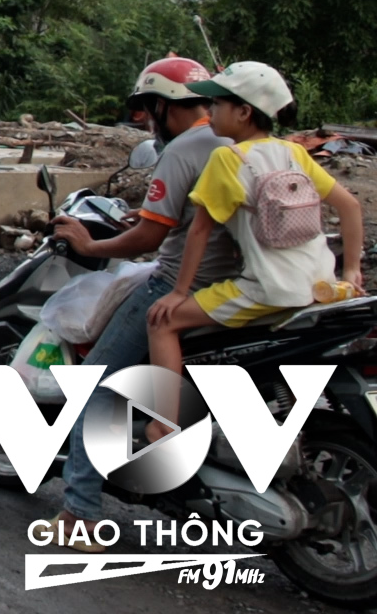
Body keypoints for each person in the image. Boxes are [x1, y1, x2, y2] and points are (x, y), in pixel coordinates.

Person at [43, 57, 239, 548]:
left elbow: (147, 241)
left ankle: (81, 515)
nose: (150, 120)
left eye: (151, 110)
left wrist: (90, 246)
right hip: (238, 287)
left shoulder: (186, 147)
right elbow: (189, 215)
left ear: (163, 107)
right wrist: (149, 216)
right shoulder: (243, 141)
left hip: (181, 283)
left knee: (97, 387)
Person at [144, 61, 364, 442]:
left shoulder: (228, 159)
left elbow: (198, 230)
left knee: (161, 322)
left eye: (217, 105)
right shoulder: (293, 154)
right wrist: (352, 273)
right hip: (319, 285)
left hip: (267, 289)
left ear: (244, 112)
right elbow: (351, 207)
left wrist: (179, 293)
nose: (209, 113)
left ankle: (164, 422)